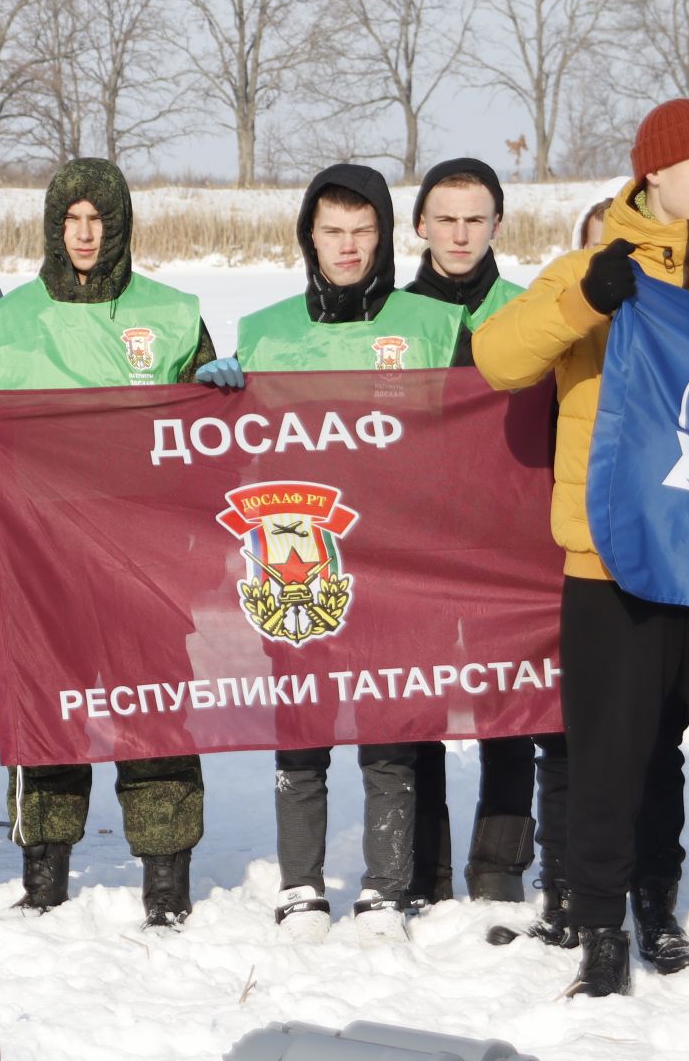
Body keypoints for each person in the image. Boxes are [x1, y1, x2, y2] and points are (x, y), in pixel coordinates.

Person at [472, 98, 689, 995]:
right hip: (613, 558)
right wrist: (584, 300)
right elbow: (499, 358)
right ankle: (602, 931)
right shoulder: (590, 270)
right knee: (609, 757)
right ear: (654, 174)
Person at [0, 157, 232, 926]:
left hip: (149, 560)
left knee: (154, 712)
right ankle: (44, 875)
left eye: (99, 219)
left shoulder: (170, 316)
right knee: (49, 711)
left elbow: (211, 445)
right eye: (72, 219)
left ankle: (166, 880)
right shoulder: (7, 322)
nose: (86, 233)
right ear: (54, 226)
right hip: (41, 560)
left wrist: (226, 397)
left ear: (120, 223)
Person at [234, 163, 466, 945]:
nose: (346, 246)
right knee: (301, 729)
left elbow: (470, 438)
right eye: (331, 231)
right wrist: (212, 402)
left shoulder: (430, 324)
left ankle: (383, 887)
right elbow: (240, 453)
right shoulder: (263, 332)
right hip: (297, 556)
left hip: (400, 560)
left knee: (390, 727)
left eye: (362, 231)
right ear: (309, 237)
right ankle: (300, 884)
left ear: (385, 237)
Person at [399, 159, 535, 904]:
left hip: (504, 544)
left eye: (474, 219)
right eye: (445, 219)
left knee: (507, 707)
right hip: (411, 545)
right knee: (414, 703)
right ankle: (424, 869)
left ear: (495, 226)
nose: (459, 233)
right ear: (421, 225)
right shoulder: (385, 315)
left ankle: (499, 866)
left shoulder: (530, 311)